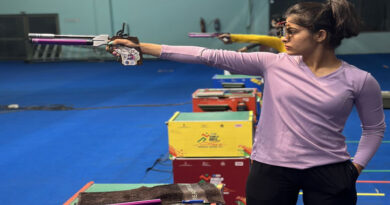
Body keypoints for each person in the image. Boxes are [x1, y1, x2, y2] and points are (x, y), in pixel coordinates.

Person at [107, 0, 386, 204]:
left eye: (291, 31)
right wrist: (141, 47)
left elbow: (373, 129)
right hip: (271, 169)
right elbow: (206, 55)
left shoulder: (359, 80)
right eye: (282, 30)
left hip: (331, 171)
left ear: (320, 36)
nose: (283, 38)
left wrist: (355, 168)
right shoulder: (273, 64)